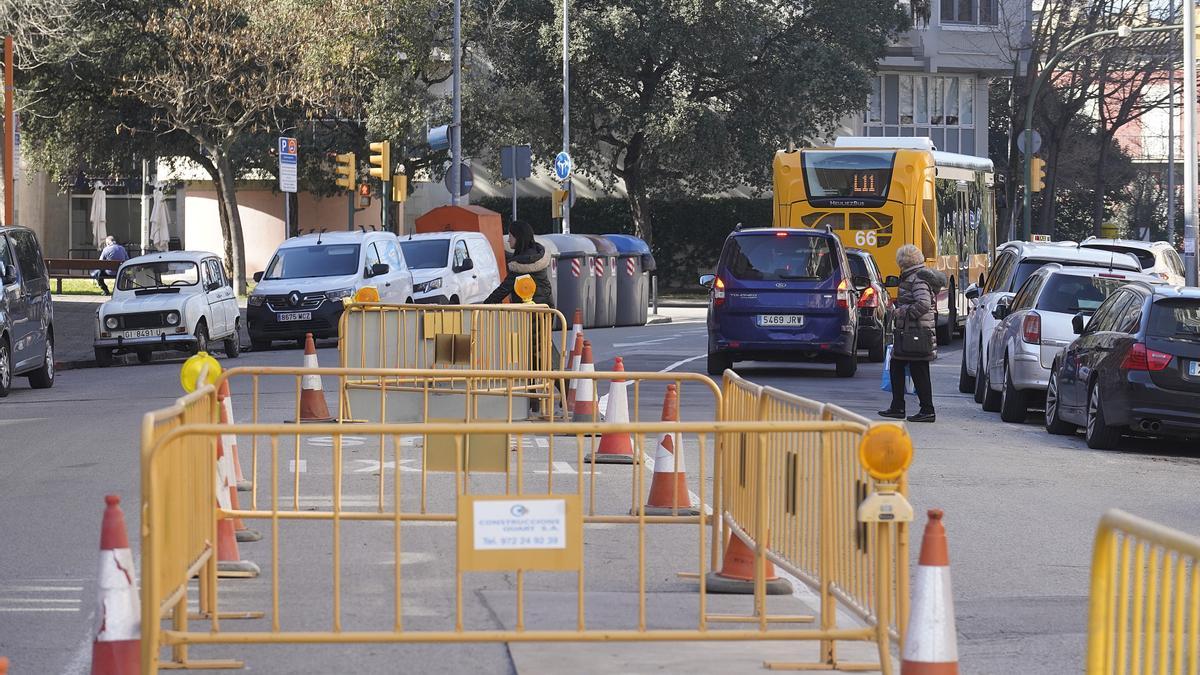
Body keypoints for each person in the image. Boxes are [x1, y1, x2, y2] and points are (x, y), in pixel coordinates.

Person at [879, 244, 945, 423]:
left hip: (916, 331)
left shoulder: (916, 278)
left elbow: (923, 303)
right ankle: (900, 406)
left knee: (917, 369)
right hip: (913, 331)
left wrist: (904, 311)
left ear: (903, 261)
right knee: (902, 366)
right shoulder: (916, 276)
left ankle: (923, 409)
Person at [483, 220, 554, 305]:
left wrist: (484, 306)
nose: (508, 240)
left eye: (510, 236)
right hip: (546, 310)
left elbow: (503, 290)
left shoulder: (520, 264)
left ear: (518, 237)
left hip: (527, 314)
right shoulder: (538, 255)